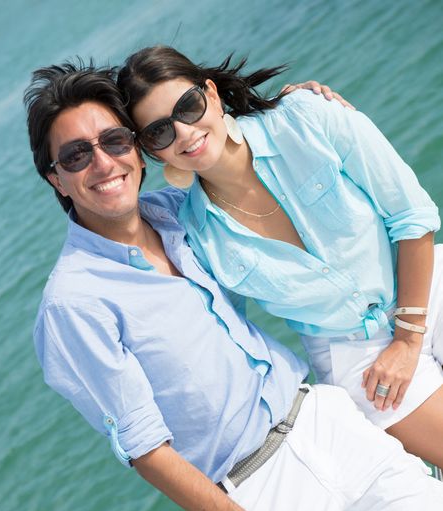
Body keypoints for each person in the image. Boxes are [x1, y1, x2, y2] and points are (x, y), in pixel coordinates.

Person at [24, 60, 443, 511]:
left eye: (114, 140)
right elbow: (147, 450)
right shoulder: (74, 306)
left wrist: (301, 99)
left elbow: (211, 141)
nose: (102, 162)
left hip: (320, 418)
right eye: (75, 156)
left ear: (138, 152)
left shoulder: (177, 217)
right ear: (55, 179)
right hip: (255, 494)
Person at [117, 46, 443, 468]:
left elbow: (412, 216)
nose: (184, 133)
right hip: (356, 357)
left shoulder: (306, 118)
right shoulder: (198, 236)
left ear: (211, 94)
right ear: (150, 151)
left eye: (189, 106)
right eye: (159, 132)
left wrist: (407, 338)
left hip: (426, 282)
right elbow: (222, 337)